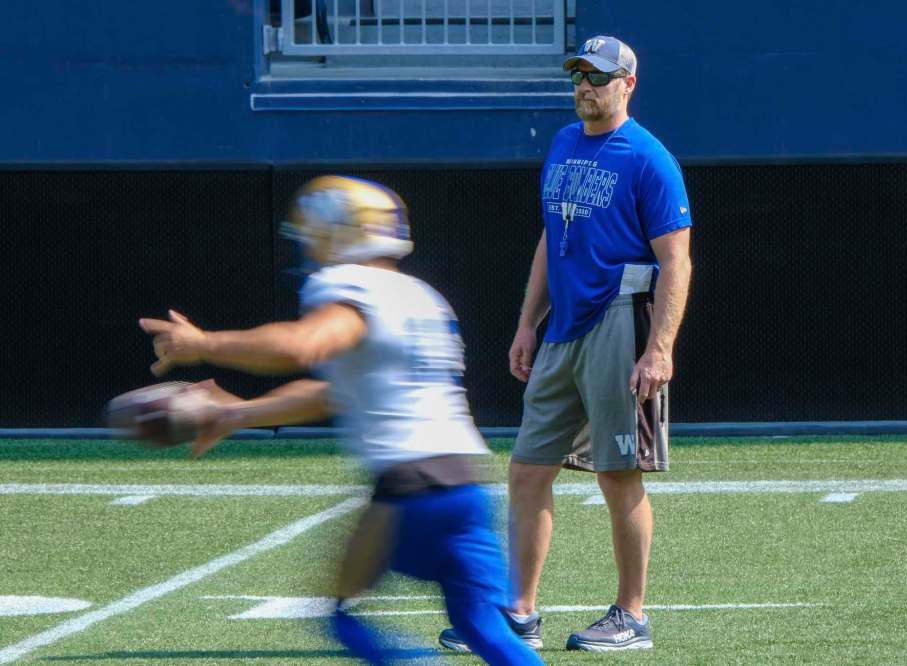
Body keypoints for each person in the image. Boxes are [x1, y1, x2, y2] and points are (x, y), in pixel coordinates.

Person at [139, 175, 543, 666]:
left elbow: (303, 346)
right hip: (465, 486)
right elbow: (334, 394)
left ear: (337, 234)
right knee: (479, 625)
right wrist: (237, 413)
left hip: (410, 486)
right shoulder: (421, 295)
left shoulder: (352, 286)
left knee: (342, 614)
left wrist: (205, 344)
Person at [440, 35, 693, 653]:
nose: (584, 85)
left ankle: (631, 616)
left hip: (620, 322)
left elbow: (677, 260)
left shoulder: (649, 157)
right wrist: (528, 323)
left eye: (598, 76)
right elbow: (551, 238)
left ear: (627, 84)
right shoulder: (561, 143)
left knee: (618, 472)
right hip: (563, 330)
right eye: (578, 74)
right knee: (528, 469)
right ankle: (519, 612)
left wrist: (659, 349)